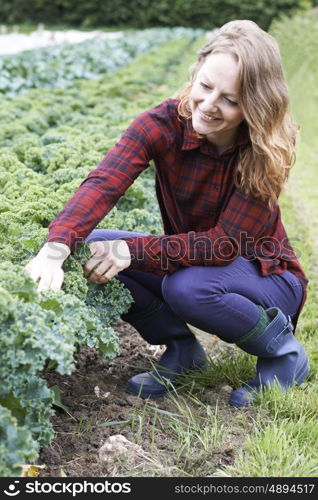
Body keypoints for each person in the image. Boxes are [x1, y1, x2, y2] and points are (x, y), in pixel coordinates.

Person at [25, 20, 309, 408]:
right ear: (197, 72)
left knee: (187, 287)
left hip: (265, 277)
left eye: (231, 99)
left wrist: (133, 251)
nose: (209, 105)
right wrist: (56, 246)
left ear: (254, 106)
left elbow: (223, 245)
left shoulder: (263, 150)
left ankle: (283, 354)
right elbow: (105, 182)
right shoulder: (162, 124)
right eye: (206, 86)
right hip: (192, 261)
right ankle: (182, 352)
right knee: (90, 246)